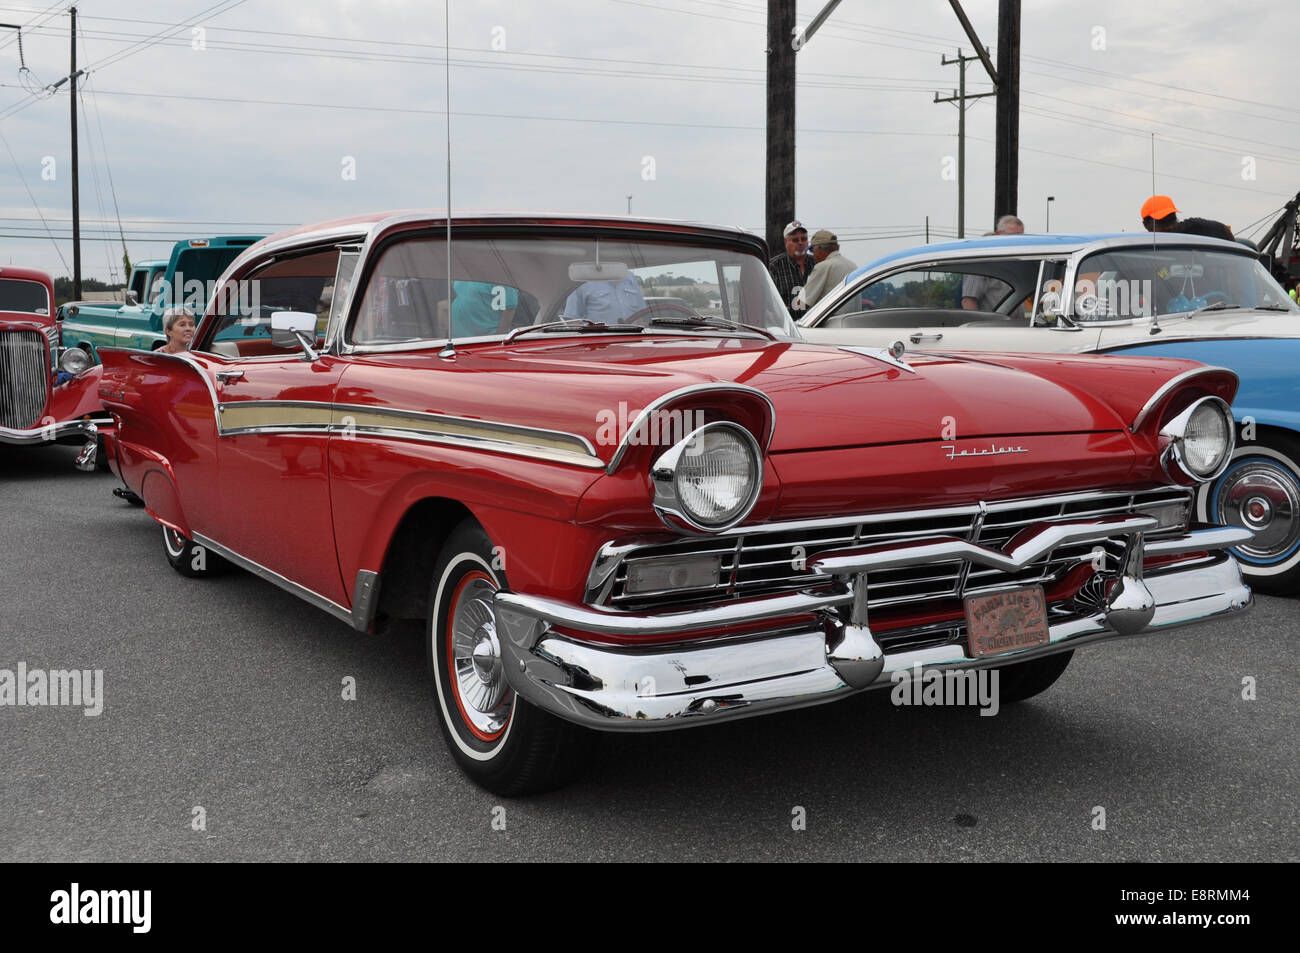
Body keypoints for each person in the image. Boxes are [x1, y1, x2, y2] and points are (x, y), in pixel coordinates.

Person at [961, 215, 1024, 311]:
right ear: (998, 234)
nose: (1017, 241)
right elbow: (968, 301)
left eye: (1021, 237)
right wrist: (979, 326)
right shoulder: (982, 263)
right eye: (1012, 236)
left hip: (1017, 325)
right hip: (992, 325)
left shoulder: (1018, 263)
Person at [797, 230, 857, 309]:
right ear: (837, 247)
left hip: (829, 320)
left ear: (819, 249)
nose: (813, 255)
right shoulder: (853, 266)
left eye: (812, 250)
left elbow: (802, 303)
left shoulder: (822, 267)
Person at [767, 220, 816, 317]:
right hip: (787, 328)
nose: (800, 243)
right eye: (795, 240)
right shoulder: (774, 267)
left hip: (816, 327)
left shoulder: (816, 264)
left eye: (804, 239)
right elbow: (768, 304)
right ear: (786, 242)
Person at [563, 273, 646, 323]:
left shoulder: (630, 276)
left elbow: (640, 317)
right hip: (599, 347)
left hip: (632, 344)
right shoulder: (582, 279)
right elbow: (572, 320)